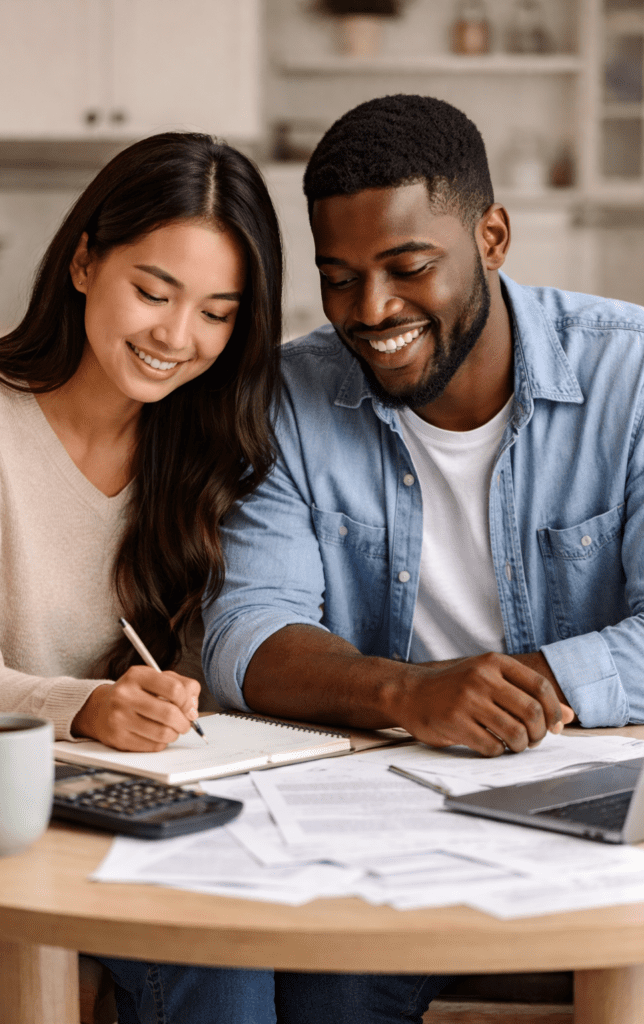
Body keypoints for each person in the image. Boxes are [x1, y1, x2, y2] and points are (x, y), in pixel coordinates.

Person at [202, 92, 644, 1018]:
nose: (370, 311)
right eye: (337, 277)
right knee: (327, 986)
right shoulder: (289, 395)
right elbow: (245, 631)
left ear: (490, 238)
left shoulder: (629, 376)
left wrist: (524, 684)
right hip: (382, 822)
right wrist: (409, 692)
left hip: (604, 803)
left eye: (408, 267)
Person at [0, 131, 285, 1023]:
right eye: (152, 292)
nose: (177, 338)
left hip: (142, 818)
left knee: (229, 953)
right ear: (81, 263)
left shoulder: (213, 448)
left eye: (218, 313)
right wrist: (92, 704)